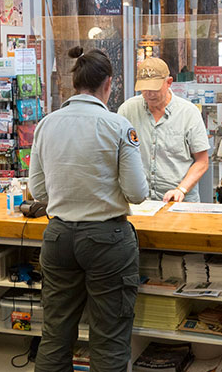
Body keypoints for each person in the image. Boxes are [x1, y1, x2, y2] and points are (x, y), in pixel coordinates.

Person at [29, 46, 149, 372]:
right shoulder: (118, 126)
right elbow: (137, 193)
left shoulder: (46, 124)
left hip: (58, 237)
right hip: (108, 239)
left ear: (74, 83)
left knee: (55, 332)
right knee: (108, 336)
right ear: (108, 84)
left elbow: (37, 191)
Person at [118, 57, 210, 203]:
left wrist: (181, 189)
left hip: (179, 201)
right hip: (140, 201)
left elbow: (202, 161)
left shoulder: (188, 113)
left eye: (154, 88)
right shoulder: (127, 110)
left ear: (169, 83)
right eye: (144, 89)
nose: (149, 94)